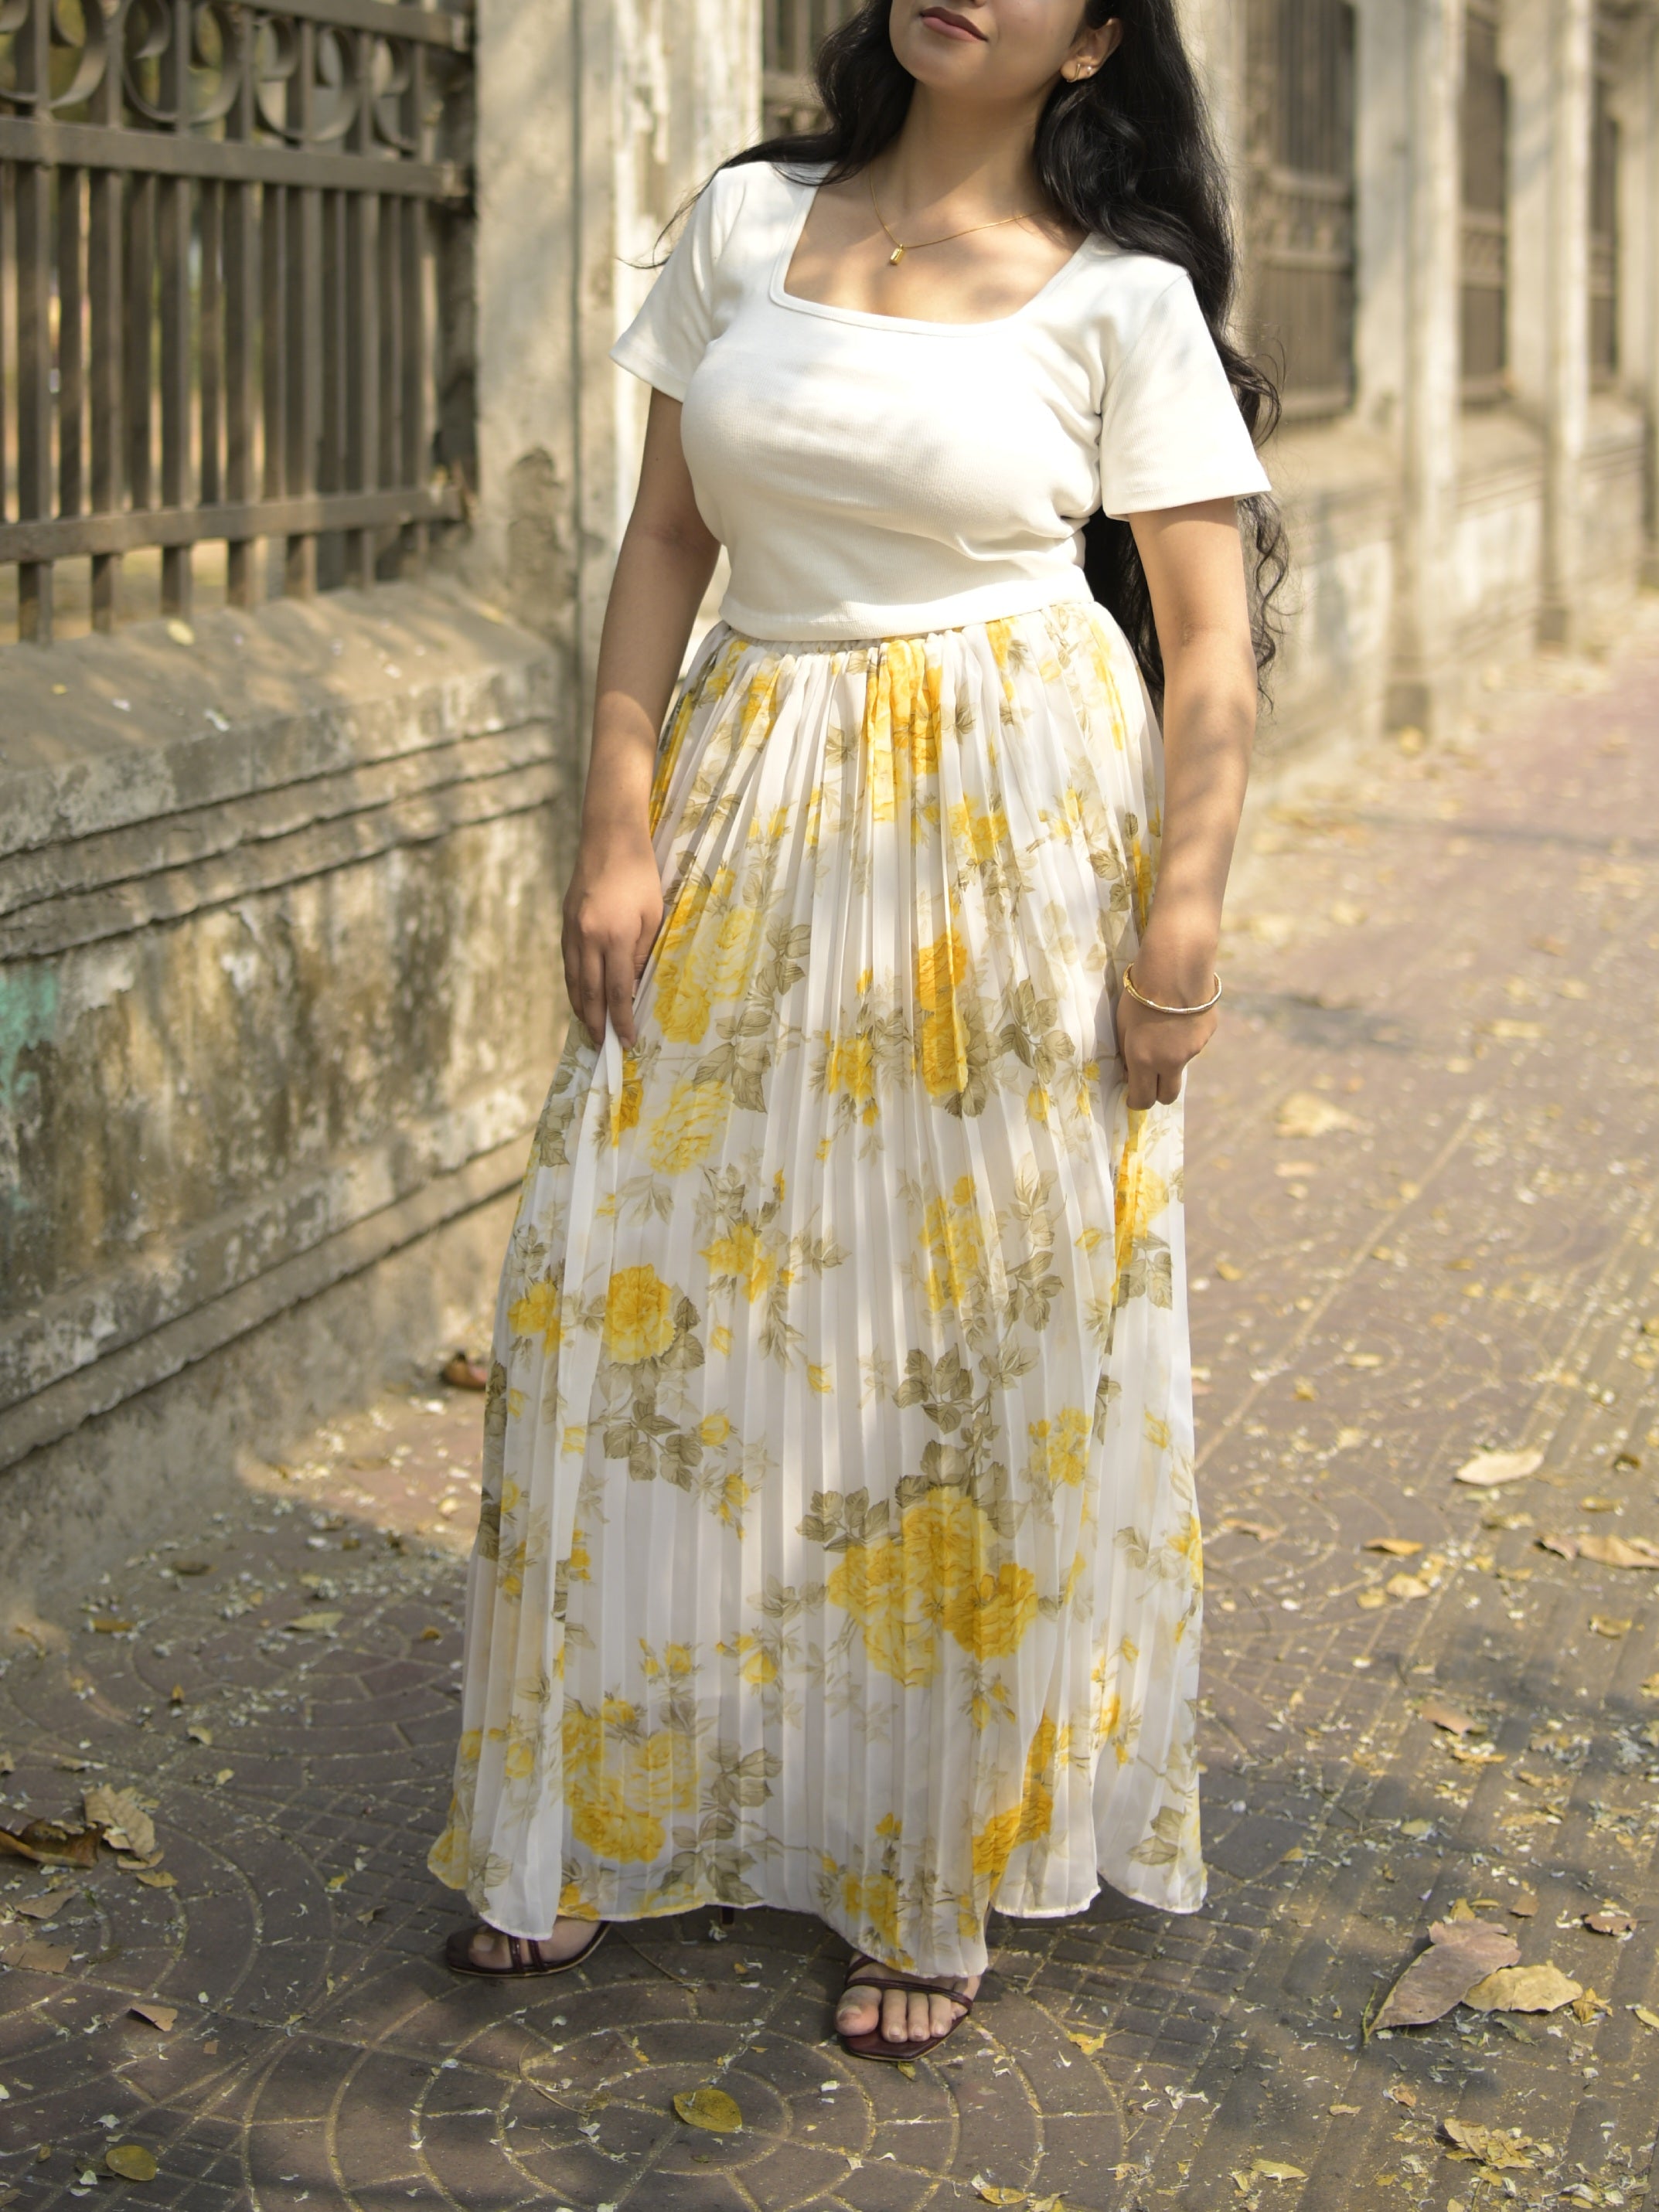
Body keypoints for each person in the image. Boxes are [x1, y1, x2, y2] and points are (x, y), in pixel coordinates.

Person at [431, 0, 1284, 2064]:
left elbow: (1207, 649)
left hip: (1010, 826)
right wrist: (613, 824)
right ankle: (602, 1812)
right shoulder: (747, 220)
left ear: (1092, 46)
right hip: (744, 788)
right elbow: (664, 539)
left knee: (954, 1329)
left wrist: (1179, 927)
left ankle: (923, 1857)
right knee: (638, 1289)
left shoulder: (1120, 302)